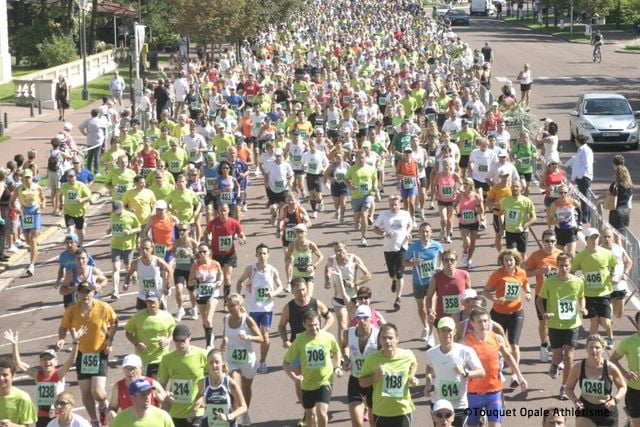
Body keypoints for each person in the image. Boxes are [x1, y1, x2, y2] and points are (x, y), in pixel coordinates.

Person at [56, 281, 118, 426]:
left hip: (99, 352)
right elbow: (63, 327)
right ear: (78, 293)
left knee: (97, 391)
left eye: (88, 292)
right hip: (82, 353)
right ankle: (95, 420)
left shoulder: (103, 307)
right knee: (85, 391)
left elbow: (114, 322)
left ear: (93, 292)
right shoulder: (72, 310)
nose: (86, 295)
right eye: (82, 292)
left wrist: (109, 340)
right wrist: (61, 338)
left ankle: (103, 405)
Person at [277, 278, 334, 424]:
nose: (302, 293)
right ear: (292, 291)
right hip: (298, 349)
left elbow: (330, 317)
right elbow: (281, 326)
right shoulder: (289, 307)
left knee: (318, 375)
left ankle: (316, 408)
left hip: (315, 347)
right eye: (298, 290)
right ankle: (307, 411)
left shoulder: (315, 303)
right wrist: (285, 340)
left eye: (303, 289)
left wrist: (322, 331)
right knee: (299, 381)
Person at [3, 327, 84, 427]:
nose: (47, 361)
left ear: (56, 362)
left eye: (50, 359)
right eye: (44, 359)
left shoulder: (59, 374)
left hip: (56, 415)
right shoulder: (38, 375)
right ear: (40, 362)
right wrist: (14, 345)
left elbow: (71, 360)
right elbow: (18, 363)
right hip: (41, 415)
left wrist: (76, 342)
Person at [464, 307, 527, 427]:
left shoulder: (496, 338)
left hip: (494, 392)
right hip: (472, 393)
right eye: (479, 321)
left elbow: (508, 356)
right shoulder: (465, 342)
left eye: (485, 321)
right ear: (472, 323)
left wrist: (519, 375)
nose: (483, 324)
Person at [538, 252, 588, 401]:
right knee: (558, 356)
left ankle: (565, 387)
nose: (564, 268)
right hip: (555, 324)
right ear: (557, 266)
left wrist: (583, 308)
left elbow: (581, 297)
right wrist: (544, 313)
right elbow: (540, 300)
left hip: (572, 324)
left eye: (566, 265)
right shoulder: (550, 282)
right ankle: (554, 364)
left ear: (571, 266)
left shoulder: (578, 282)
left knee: (569, 357)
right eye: (561, 265)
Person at [283, 310, 342, 427]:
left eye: (316, 324)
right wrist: (294, 378)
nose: (314, 328)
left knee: (321, 412)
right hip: (307, 383)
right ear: (304, 325)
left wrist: (337, 367)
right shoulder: (299, 341)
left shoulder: (328, 337)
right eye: (310, 325)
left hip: (325, 380)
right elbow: (286, 363)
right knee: (310, 415)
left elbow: (336, 351)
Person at [483, 248, 531, 387]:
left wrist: (527, 292)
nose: (508, 262)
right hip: (498, 314)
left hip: (516, 313)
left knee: (514, 344)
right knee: (499, 344)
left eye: (511, 260)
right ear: (502, 262)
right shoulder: (497, 274)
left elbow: (525, 282)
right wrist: (496, 299)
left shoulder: (521, 272)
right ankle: (499, 365)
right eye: (505, 260)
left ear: (516, 261)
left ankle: (515, 374)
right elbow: (485, 291)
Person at [425, 317, 485, 427]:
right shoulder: (431, 353)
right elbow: (429, 368)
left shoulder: (465, 351)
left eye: (449, 330)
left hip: (459, 405)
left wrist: (466, 373)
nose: (446, 333)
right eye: (443, 330)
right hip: (439, 403)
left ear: (455, 331)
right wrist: (428, 382)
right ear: (438, 332)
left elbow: (481, 372)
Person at [235, 243, 284, 373]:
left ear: (268, 254)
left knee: (265, 335)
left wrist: (273, 293)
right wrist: (239, 298)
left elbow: (280, 286)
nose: (262, 256)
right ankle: (245, 360)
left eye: (264, 253)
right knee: (247, 335)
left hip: (266, 309)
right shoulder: (250, 269)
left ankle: (262, 361)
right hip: (252, 309)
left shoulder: (273, 270)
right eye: (260, 253)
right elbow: (239, 281)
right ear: (256, 255)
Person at [359, 323, 418, 427]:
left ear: (397, 339)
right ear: (380, 340)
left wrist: (411, 376)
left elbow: (414, 364)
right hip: (381, 412)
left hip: (403, 411)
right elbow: (362, 382)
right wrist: (375, 377)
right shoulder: (371, 359)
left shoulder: (407, 355)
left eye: (390, 338)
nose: (387, 341)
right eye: (384, 338)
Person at [220, 294, 263, 426]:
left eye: (233, 305)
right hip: (232, 359)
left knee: (246, 388)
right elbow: (225, 335)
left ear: (240, 306)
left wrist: (248, 337)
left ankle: (245, 412)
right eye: (228, 305)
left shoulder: (247, 320)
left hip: (248, 360)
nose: (231, 308)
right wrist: (224, 341)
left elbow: (261, 338)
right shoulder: (226, 319)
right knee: (234, 385)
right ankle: (234, 416)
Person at [565, 334, 626, 427]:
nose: (594, 350)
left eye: (597, 347)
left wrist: (615, 400)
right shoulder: (578, 367)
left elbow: (623, 386)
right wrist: (575, 400)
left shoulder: (610, 368)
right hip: (585, 409)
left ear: (603, 349)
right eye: (591, 347)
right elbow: (568, 388)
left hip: (606, 410)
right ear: (586, 348)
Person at [572, 227, 617, 349]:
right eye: (592, 238)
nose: (595, 240)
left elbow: (616, 265)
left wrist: (614, 275)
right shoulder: (580, 256)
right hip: (589, 294)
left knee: (606, 322)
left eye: (596, 237)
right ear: (586, 240)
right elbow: (572, 271)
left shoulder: (606, 253)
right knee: (594, 322)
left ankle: (611, 337)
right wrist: (577, 275)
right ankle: (593, 345)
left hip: (604, 292)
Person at [523, 229, 563, 362]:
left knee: (558, 323)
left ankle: (558, 354)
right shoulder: (536, 256)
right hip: (541, 295)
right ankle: (544, 345)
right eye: (547, 241)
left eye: (552, 241)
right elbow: (525, 273)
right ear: (542, 242)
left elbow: (568, 270)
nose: (550, 244)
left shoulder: (560, 255)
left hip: (558, 295)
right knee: (543, 323)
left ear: (556, 241)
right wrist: (541, 271)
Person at [158, 324, 208, 427]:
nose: (180, 344)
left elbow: (214, 379)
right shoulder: (167, 359)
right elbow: (161, 385)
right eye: (176, 341)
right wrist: (165, 396)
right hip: (175, 412)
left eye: (183, 341)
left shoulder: (202, 355)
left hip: (197, 411)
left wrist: (205, 398)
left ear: (189, 337)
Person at [324, 241, 372, 348]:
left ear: (346, 249)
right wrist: (327, 279)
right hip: (339, 298)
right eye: (336, 251)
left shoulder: (354, 259)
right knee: (342, 325)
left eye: (340, 250)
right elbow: (327, 268)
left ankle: (356, 348)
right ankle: (342, 353)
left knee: (355, 324)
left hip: (353, 298)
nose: (338, 253)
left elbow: (368, 275)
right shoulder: (332, 260)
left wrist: (354, 283)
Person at [404, 223, 444, 344]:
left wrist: (440, 266)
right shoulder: (414, 247)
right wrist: (413, 263)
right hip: (418, 281)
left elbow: (442, 256)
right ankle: (426, 326)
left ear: (431, 233)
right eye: (422, 231)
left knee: (431, 308)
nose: (425, 234)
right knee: (421, 307)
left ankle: (431, 335)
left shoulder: (437, 246)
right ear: (419, 233)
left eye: (427, 231)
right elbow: (404, 262)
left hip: (432, 281)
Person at [340, 304, 380, 427]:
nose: (362, 321)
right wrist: (346, 359)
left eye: (365, 318)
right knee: (357, 422)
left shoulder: (378, 335)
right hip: (356, 380)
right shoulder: (349, 333)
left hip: (373, 382)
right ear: (355, 319)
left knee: (374, 422)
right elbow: (343, 346)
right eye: (359, 318)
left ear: (370, 319)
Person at [373, 196, 413, 311]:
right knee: (392, 273)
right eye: (391, 204)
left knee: (400, 273)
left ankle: (398, 298)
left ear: (400, 204)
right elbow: (375, 228)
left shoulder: (405, 214)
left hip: (402, 247)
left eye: (395, 204)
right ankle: (393, 280)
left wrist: (408, 233)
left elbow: (410, 224)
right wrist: (384, 233)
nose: (393, 207)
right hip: (388, 248)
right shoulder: (384, 215)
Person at [125, 290, 176, 376]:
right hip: (143, 358)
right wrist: (136, 343)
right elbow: (128, 332)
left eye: (153, 302)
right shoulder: (137, 317)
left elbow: (173, 331)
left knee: (157, 385)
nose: (151, 304)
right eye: (149, 301)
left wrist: (167, 340)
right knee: (145, 385)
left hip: (161, 357)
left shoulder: (167, 317)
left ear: (159, 302)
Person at [105, 354, 167, 422]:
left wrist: (159, 419)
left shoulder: (152, 384)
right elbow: (112, 406)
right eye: (126, 368)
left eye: (133, 368)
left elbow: (167, 403)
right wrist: (111, 413)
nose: (130, 372)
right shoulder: (118, 387)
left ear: (141, 368)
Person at [205, 203, 246, 299]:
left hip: (229, 254)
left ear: (228, 211)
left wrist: (242, 239)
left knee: (227, 277)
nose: (223, 213)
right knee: (216, 277)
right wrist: (207, 245)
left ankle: (226, 301)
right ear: (218, 212)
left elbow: (242, 234)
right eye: (220, 211)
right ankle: (212, 297)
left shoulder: (234, 222)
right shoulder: (213, 223)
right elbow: (205, 233)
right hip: (216, 254)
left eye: (224, 210)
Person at [10, 168, 46, 276]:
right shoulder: (19, 188)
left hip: (35, 213)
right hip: (25, 214)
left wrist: (43, 204)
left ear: (32, 177)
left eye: (28, 177)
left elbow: (43, 198)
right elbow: (12, 201)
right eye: (25, 177)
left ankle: (31, 265)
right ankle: (33, 250)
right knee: (27, 238)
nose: (27, 179)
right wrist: (14, 209)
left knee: (34, 240)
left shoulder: (37, 187)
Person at [198, 349, 247, 427]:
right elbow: (198, 401)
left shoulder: (230, 383)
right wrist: (195, 408)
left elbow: (243, 407)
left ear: (222, 363)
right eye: (211, 363)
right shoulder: (202, 383)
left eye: (217, 362)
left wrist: (228, 417)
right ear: (207, 364)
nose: (214, 365)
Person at [189, 243, 223, 349]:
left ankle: (208, 344)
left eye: (204, 251)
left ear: (209, 252)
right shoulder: (196, 265)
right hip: (201, 294)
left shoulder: (215, 264)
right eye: (200, 252)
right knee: (204, 320)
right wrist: (198, 280)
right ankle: (210, 335)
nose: (202, 254)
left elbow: (220, 274)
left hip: (213, 293)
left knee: (208, 319)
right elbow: (190, 282)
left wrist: (220, 281)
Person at [610, 311, 640, 427]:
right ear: (637, 324)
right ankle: (631, 422)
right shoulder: (628, 342)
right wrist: (625, 373)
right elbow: (613, 359)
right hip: (635, 390)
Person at [124, 239, 172, 310]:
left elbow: (169, 270)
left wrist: (167, 285)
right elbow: (128, 275)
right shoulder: (136, 263)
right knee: (140, 318)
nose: (144, 251)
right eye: (142, 248)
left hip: (157, 296)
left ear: (152, 249)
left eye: (147, 249)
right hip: (143, 296)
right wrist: (126, 283)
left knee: (159, 318)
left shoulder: (157, 261)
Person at [345, 149, 378, 247]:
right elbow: (346, 179)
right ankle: (356, 222)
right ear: (356, 158)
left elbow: (375, 179)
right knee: (357, 217)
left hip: (367, 195)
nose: (360, 160)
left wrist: (375, 186)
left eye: (362, 158)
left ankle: (363, 237)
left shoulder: (371, 168)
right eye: (358, 158)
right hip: (356, 196)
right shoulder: (352, 168)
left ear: (365, 158)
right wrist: (350, 186)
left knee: (364, 214)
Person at [110, 379, 174, 427]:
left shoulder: (163, 416)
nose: (147, 397)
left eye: (149, 392)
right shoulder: (120, 420)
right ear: (132, 398)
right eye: (143, 394)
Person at [601, 228, 633, 318]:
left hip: (619, 285)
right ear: (601, 238)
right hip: (605, 286)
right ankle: (609, 328)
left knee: (618, 315)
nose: (607, 239)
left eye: (609, 237)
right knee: (608, 316)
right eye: (605, 237)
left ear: (613, 238)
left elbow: (629, 262)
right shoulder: (598, 250)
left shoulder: (619, 249)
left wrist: (625, 273)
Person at [500, 179, 536, 257]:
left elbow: (533, 218)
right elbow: (501, 214)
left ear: (521, 188)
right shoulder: (505, 201)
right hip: (509, 231)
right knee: (512, 253)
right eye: (513, 186)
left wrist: (523, 227)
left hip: (522, 232)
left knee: (522, 255)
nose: (515, 188)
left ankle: (522, 269)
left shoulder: (527, 201)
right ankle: (514, 268)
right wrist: (501, 227)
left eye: (517, 186)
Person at [285, 223, 324, 296]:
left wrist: (313, 266)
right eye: (297, 231)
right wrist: (289, 260)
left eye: (301, 231)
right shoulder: (291, 245)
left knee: (308, 297)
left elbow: (321, 256)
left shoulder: (311, 244)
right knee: (300, 298)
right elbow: (286, 258)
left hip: (308, 275)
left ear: (306, 233)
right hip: (297, 275)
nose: (299, 234)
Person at [454, 177, 483, 268]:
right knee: (467, 241)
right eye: (464, 183)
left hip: (474, 222)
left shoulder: (476, 196)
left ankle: (468, 260)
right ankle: (465, 252)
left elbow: (481, 210)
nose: (465, 184)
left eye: (467, 183)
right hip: (463, 222)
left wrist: (478, 205)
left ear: (471, 185)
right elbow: (454, 206)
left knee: (473, 244)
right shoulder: (460, 195)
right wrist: (457, 212)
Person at [0, 356, 37, 426]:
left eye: (5, 375)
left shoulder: (23, 398)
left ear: (13, 375)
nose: (1, 378)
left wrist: (11, 425)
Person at [564, 135, 593, 224]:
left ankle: (585, 217)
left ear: (577, 141)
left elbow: (586, 164)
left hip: (584, 177)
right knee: (583, 197)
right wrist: (566, 165)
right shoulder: (581, 150)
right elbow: (575, 159)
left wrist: (580, 175)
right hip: (581, 177)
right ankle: (586, 216)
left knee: (584, 197)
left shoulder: (585, 150)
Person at [548, 184, 581, 258]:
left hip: (571, 230)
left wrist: (580, 223)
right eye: (561, 193)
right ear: (557, 193)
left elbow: (580, 211)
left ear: (567, 193)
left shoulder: (572, 201)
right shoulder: (554, 204)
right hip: (560, 231)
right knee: (559, 255)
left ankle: (570, 269)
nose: (563, 194)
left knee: (571, 254)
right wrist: (556, 221)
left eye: (565, 193)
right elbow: (550, 221)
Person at [60, 170, 92, 245]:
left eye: (72, 177)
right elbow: (60, 195)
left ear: (75, 177)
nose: (71, 179)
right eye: (69, 177)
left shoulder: (81, 185)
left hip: (79, 212)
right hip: (68, 212)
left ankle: (80, 245)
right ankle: (72, 245)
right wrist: (60, 204)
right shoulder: (64, 186)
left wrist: (82, 199)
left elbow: (89, 196)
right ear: (67, 178)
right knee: (70, 230)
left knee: (79, 231)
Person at [603, 165, 633, 232]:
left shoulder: (615, 185)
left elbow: (608, 193)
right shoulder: (629, 186)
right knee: (623, 233)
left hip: (616, 210)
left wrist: (599, 199)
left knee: (614, 233)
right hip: (626, 210)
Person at [78, 109, 108, 174]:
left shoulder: (88, 121)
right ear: (97, 114)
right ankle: (96, 171)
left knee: (90, 156)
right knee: (96, 156)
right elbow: (106, 127)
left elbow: (80, 127)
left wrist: (84, 133)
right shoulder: (100, 121)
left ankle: (88, 170)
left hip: (90, 140)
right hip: (98, 141)